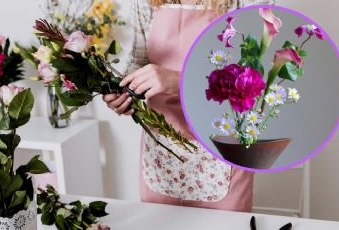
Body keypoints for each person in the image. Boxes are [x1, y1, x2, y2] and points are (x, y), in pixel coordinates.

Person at [102, 0, 274, 212]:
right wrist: (122, 91)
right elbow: (139, 60)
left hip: (223, 147)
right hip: (162, 149)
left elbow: (256, 80)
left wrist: (180, 80)